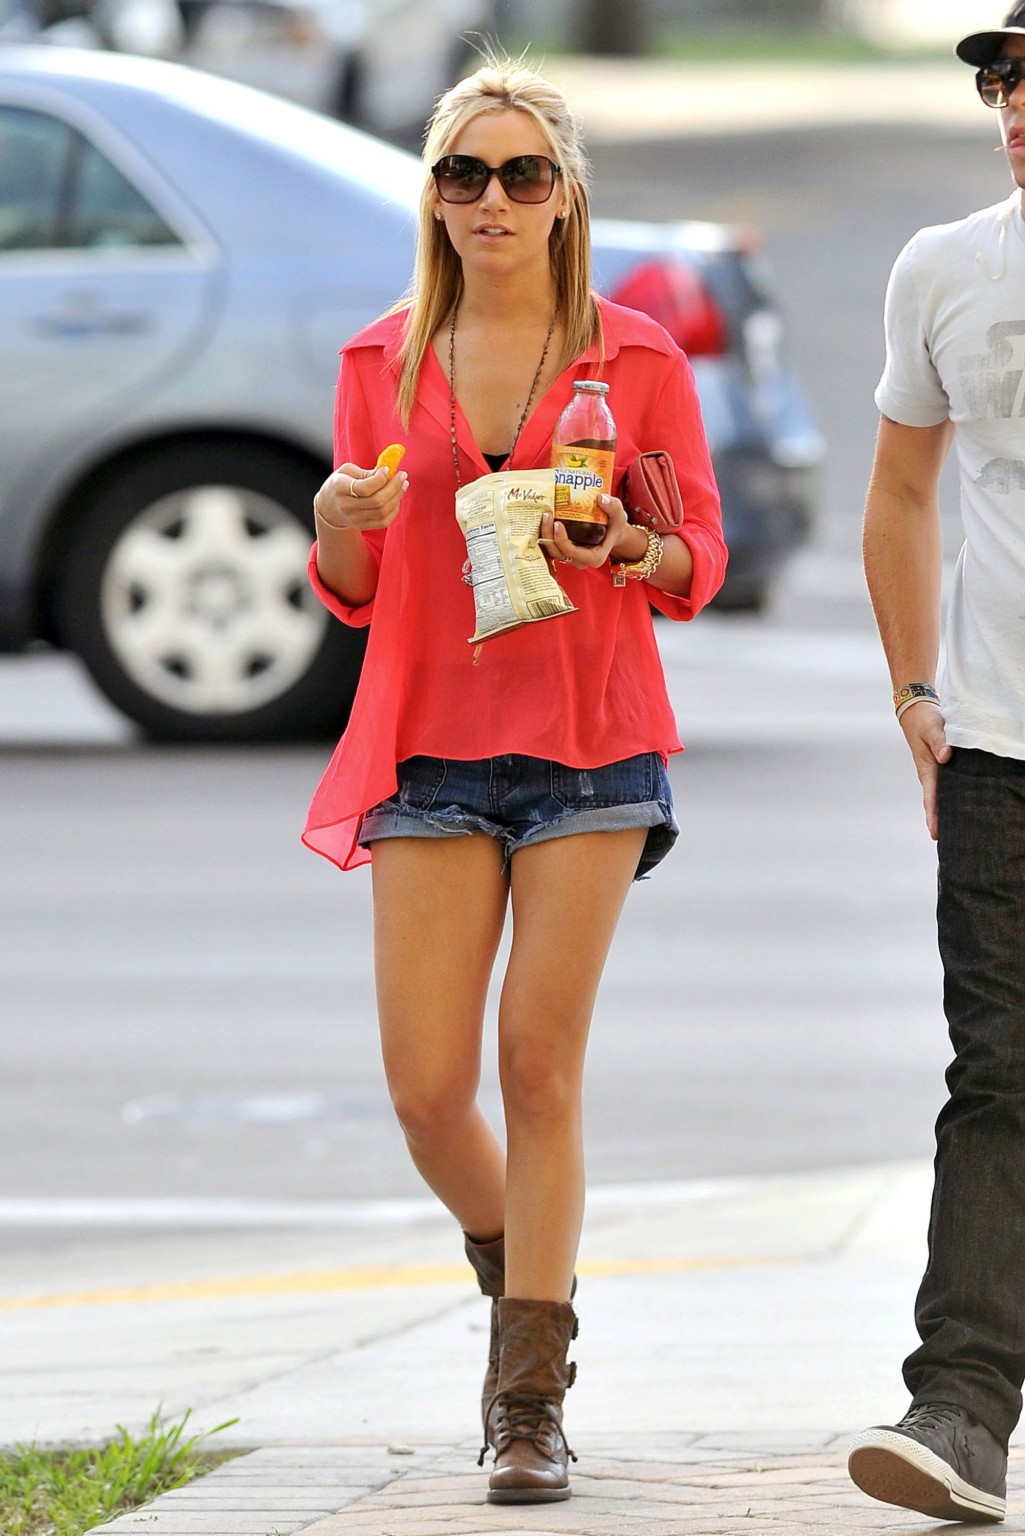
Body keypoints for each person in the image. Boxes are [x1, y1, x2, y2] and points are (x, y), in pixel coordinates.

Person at [302, 56, 726, 1505]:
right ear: (430, 196)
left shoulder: (635, 362)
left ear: (563, 197)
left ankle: (526, 1398)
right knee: (428, 1091)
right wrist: (336, 517)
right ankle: (518, 1272)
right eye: (462, 174)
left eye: (521, 174)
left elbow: (696, 558)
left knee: (536, 1068)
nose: (491, 198)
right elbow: (353, 592)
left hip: (588, 741)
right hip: (426, 741)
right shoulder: (379, 363)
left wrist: (632, 551)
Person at [848, 5, 1025, 1524]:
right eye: (1001, 76)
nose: (1012, 103)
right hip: (1001, 749)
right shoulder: (944, 267)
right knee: (999, 1080)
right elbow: (901, 486)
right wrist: (918, 688)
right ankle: (958, 1411)